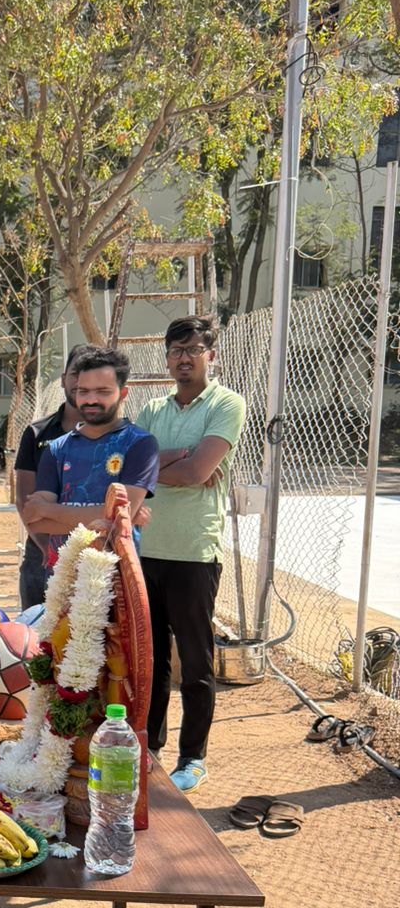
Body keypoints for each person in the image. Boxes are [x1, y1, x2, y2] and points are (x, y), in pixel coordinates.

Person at [137, 316, 247, 793]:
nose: (184, 358)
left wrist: (167, 466)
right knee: (151, 659)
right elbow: (124, 469)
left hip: (194, 553)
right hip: (145, 549)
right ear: (167, 358)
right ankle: (150, 748)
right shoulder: (152, 409)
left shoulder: (226, 404)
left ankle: (193, 758)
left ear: (210, 355)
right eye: (176, 350)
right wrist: (181, 457)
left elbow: (198, 473)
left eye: (194, 349)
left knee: (196, 663)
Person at [22, 346, 159, 568]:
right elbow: (36, 522)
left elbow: (120, 519)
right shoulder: (57, 449)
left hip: (117, 577)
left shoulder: (139, 444)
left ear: (123, 393)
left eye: (103, 391)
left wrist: (49, 510)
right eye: (83, 391)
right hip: (62, 577)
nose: (91, 400)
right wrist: (109, 518)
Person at [12, 346, 85, 610]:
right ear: (64, 379)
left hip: (97, 556)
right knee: (36, 631)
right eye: (75, 374)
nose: (81, 383)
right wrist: (46, 547)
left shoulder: (118, 436)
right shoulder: (37, 433)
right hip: (41, 554)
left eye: (89, 376)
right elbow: (25, 499)